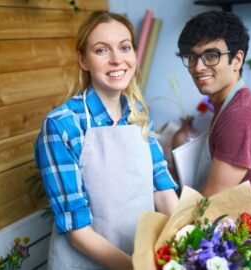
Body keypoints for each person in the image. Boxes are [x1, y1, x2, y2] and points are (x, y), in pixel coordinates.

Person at [35, 11, 179, 270]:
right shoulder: (62, 125)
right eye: (101, 51)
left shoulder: (138, 113)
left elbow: (162, 189)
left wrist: (191, 241)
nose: (117, 60)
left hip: (141, 254)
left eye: (124, 48)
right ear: (83, 60)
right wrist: (137, 267)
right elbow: (77, 229)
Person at [176, 10, 251, 216]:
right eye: (192, 57)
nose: (198, 67)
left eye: (211, 55)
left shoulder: (242, 115)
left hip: (230, 243)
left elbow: (208, 202)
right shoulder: (227, 105)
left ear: (237, 59)